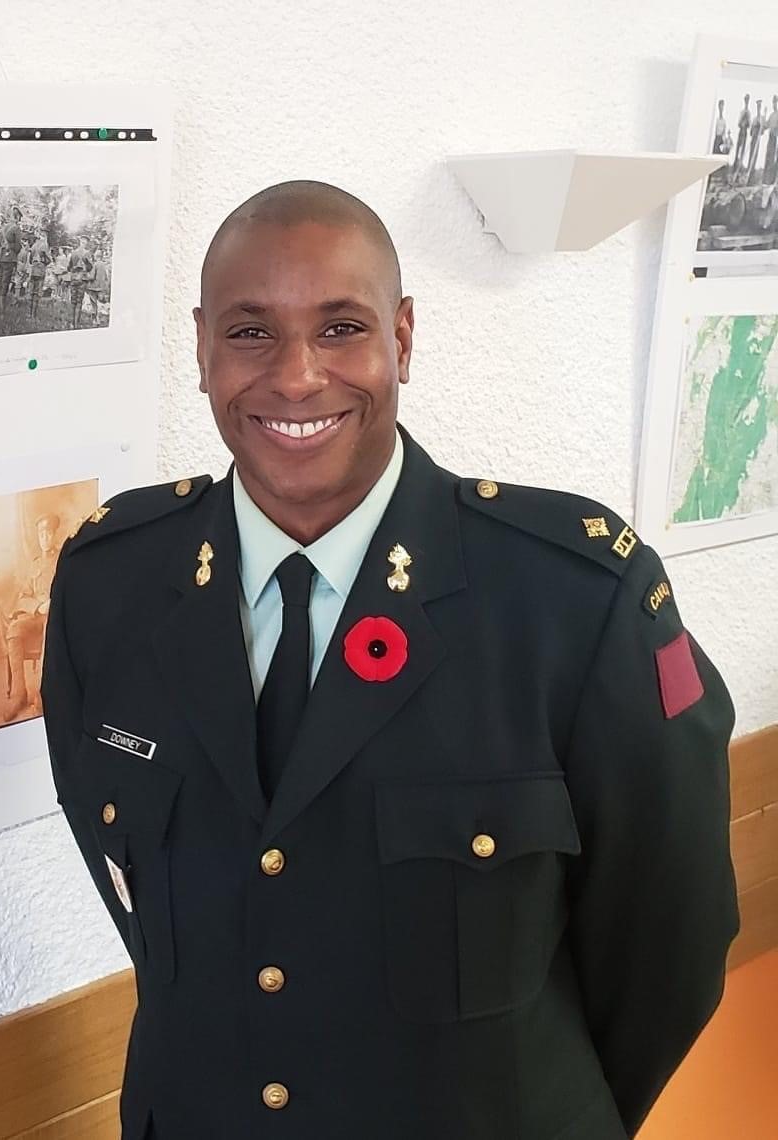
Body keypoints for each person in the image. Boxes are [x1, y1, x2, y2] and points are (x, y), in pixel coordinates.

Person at [42, 181, 738, 1140]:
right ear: (200, 346)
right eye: (250, 332)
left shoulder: (572, 600)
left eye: (340, 329)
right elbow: (134, 896)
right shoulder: (109, 583)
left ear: (402, 339)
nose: (295, 378)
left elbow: (673, 943)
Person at [0, 512, 63, 723]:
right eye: (41, 533)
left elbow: (69, 590)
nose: (44, 537)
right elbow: (23, 596)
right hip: (37, 614)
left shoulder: (63, 559)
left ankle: (41, 696)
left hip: (55, 616)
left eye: (48, 532)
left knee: (50, 632)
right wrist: (37, 607)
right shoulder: (34, 565)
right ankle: (19, 694)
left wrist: (52, 604)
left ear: (54, 534)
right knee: (14, 630)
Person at [0, 205, 24, 314]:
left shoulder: (3, 228)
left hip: (1, 258)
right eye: (19, 218)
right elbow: (17, 246)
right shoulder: (16, 228)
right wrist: (15, 248)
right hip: (9, 259)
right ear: (17, 218)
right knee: (5, 284)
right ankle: (2, 312)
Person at [67, 236, 95, 329]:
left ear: (80, 242)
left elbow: (69, 267)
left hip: (74, 279)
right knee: (79, 302)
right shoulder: (87, 253)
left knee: (73, 302)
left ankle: (71, 323)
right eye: (86, 242)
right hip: (82, 280)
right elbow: (90, 267)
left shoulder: (73, 252)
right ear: (86, 243)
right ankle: (76, 324)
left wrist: (74, 270)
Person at [85, 246, 111, 324]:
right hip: (101, 287)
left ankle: (95, 320)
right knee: (100, 304)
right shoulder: (104, 265)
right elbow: (106, 278)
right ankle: (99, 319)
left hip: (94, 288)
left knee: (94, 304)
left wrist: (86, 275)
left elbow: (92, 277)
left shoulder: (95, 265)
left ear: (96, 256)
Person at [28, 231, 51, 318]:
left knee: (32, 291)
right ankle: (34, 315)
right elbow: (49, 259)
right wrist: (45, 261)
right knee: (38, 292)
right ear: (44, 237)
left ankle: (30, 313)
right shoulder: (44, 245)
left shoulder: (34, 245)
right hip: (40, 269)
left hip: (33, 268)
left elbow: (30, 259)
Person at [735, 94, 752, 176]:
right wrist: (742, 120)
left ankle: (739, 169)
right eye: (746, 100)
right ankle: (735, 167)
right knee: (738, 150)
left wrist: (747, 119)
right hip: (741, 130)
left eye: (748, 100)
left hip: (745, 132)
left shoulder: (749, 112)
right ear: (744, 101)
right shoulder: (742, 111)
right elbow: (738, 123)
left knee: (742, 151)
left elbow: (749, 125)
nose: (746, 101)